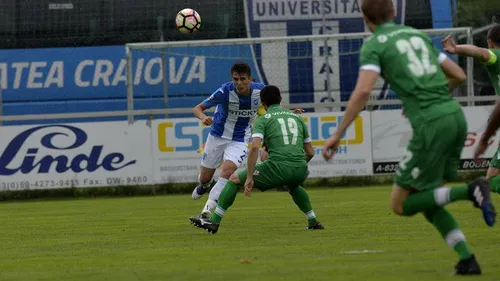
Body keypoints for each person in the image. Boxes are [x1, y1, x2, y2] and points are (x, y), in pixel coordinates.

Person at [321, 0, 495, 275]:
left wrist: (338, 134)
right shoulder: (416, 34)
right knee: (427, 196)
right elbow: (458, 75)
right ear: (393, 12)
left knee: (400, 204)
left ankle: (470, 190)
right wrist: (432, 94)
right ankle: (467, 259)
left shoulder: (374, 45)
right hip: (455, 117)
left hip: (431, 126)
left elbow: (364, 91)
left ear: (366, 18)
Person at [190, 85, 323, 234]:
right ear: (280, 99)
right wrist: (297, 164)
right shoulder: (297, 118)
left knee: (233, 179)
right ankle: (313, 221)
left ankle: (213, 221)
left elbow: (254, 148)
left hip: (278, 166)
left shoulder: (263, 120)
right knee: (292, 186)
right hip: (301, 167)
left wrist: (249, 177)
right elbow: (310, 152)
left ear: (262, 103)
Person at [190, 62, 303, 221]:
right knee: (204, 178)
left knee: (228, 171)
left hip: (240, 139)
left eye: (243, 79)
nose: (239, 83)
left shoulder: (260, 90)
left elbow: (272, 108)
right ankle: (204, 186)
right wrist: (204, 117)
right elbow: (197, 108)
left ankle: (207, 210)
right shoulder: (224, 91)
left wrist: (288, 113)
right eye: (235, 79)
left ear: (250, 79)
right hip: (217, 136)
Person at [441, 25, 500, 194]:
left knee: (491, 181)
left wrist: (456, 48)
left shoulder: (496, 55)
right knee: (491, 179)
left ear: (490, 42)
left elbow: (480, 53)